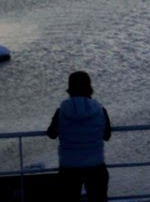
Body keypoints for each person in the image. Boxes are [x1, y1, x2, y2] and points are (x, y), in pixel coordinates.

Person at [47, 70, 112, 202]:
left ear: (69, 89)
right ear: (89, 88)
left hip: (69, 167)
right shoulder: (100, 110)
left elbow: (52, 134)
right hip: (95, 165)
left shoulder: (61, 111)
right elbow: (107, 136)